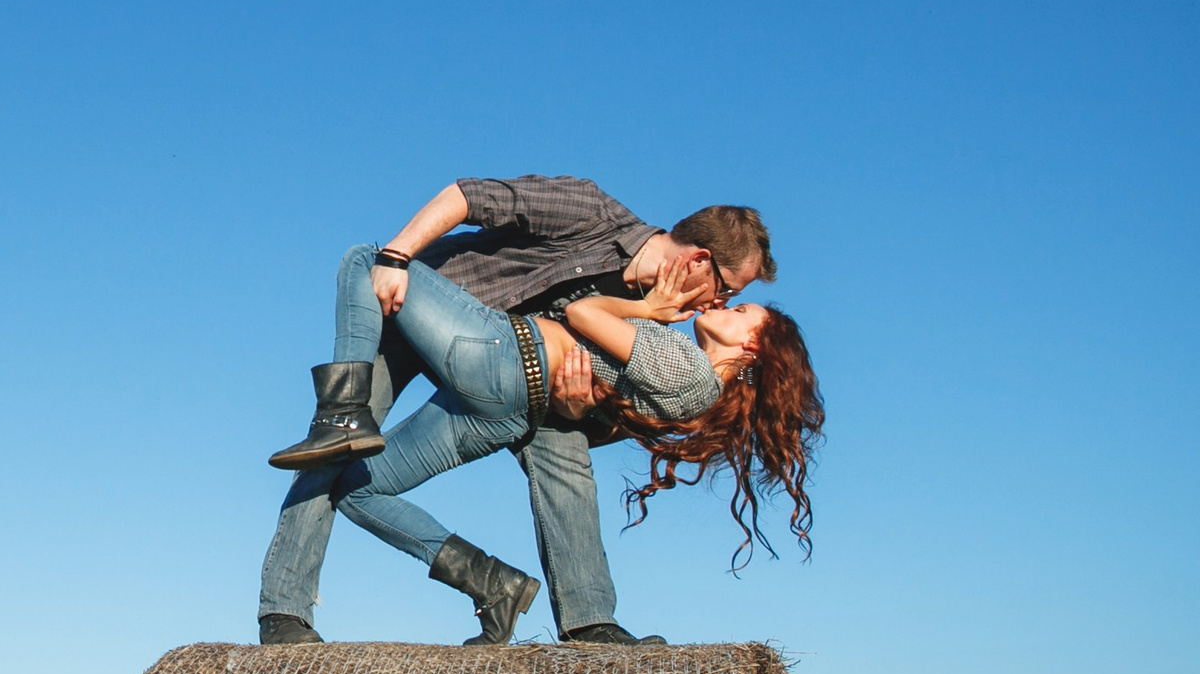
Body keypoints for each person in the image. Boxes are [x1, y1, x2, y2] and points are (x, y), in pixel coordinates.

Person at [257, 177, 798, 643]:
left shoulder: (665, 330)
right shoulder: (592, 211)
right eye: (727, 291)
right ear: (700, 261)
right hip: (428, 306)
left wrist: (584, 403)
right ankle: (285, 608)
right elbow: (468, 196)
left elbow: (619, 399)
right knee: (339, 446)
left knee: (563, 450)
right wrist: (398, 257)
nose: (717, 304)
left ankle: (584, 619)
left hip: (506, 376)